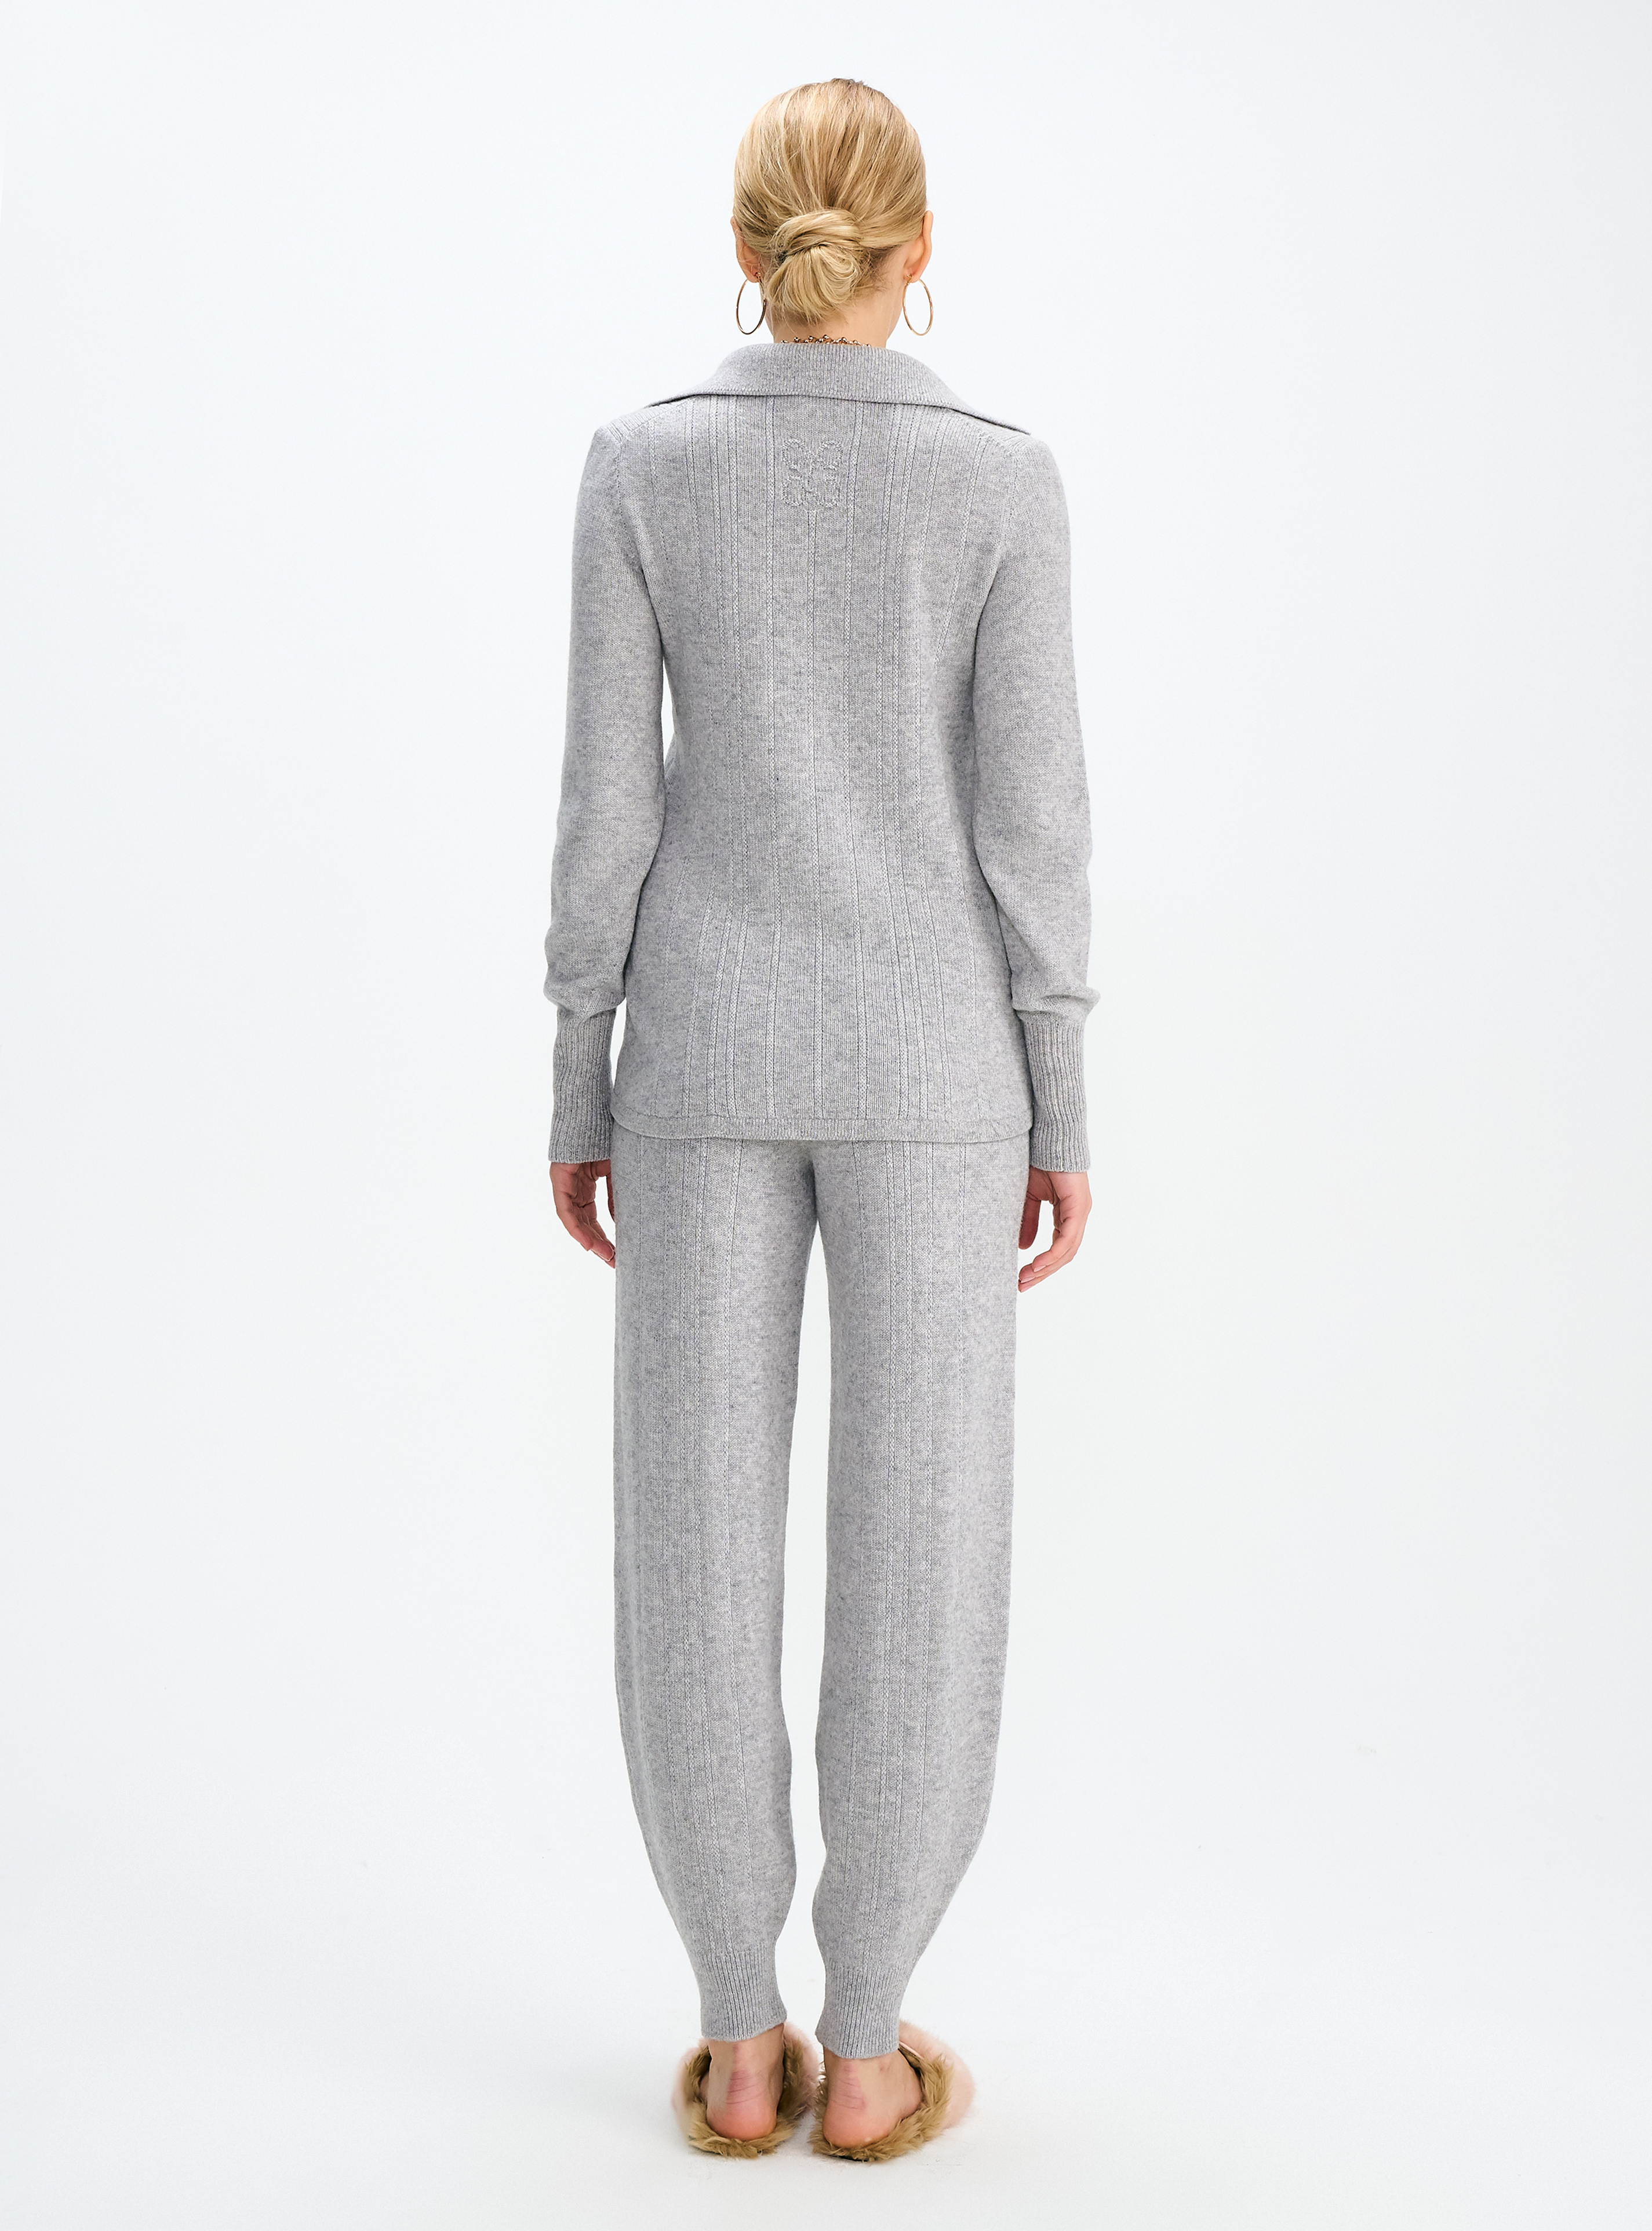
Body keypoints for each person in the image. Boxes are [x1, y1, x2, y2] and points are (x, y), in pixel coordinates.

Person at [543, 78, 1096, 2163]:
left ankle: (734, 2034)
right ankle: (865, 2049)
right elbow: (1033, 826)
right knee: (923, 1544)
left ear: (746, 244)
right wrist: (1059, 1094)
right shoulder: (999, 480)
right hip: (939, 1074)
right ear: (916, 245)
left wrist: (576, 1068)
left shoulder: (641, 465)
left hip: (695, 1061)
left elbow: (605, 806)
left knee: (688, 1545)